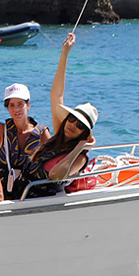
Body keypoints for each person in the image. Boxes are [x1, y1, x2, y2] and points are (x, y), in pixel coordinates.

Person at [24, 33, 99, 197]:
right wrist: (65, 53)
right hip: (21, 191)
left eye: (80, 126)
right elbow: (56, 95)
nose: (73, 125)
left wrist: (79, 148)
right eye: (71, 119)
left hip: (40, 200)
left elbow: (55, 175)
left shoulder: (80, 157)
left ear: (85, 133)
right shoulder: (60, 134)